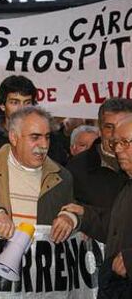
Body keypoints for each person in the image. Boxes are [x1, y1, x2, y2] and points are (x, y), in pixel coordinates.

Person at [0, 106, 77, 243]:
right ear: (14, 137)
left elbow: (78, 211)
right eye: (35, 137)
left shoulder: (62, 177)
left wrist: (69, 218)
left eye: (47, 137)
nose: (44, 145)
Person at [63, 116, 132, 299]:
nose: (118, 149)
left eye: (125, 143)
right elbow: (116, 227)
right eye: (116, 143)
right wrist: (85, 215)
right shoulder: (128, 185)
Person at [0, 75, 68, 165]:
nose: (22, 108)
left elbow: (56, 172)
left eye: (27, 103)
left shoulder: (48, 140)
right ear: (2, 105)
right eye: (15, 102)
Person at [66, 99, 132, 209]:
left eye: (123, 126)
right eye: (109, 127)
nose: (115, 134)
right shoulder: (77, 169)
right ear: (100, 130)